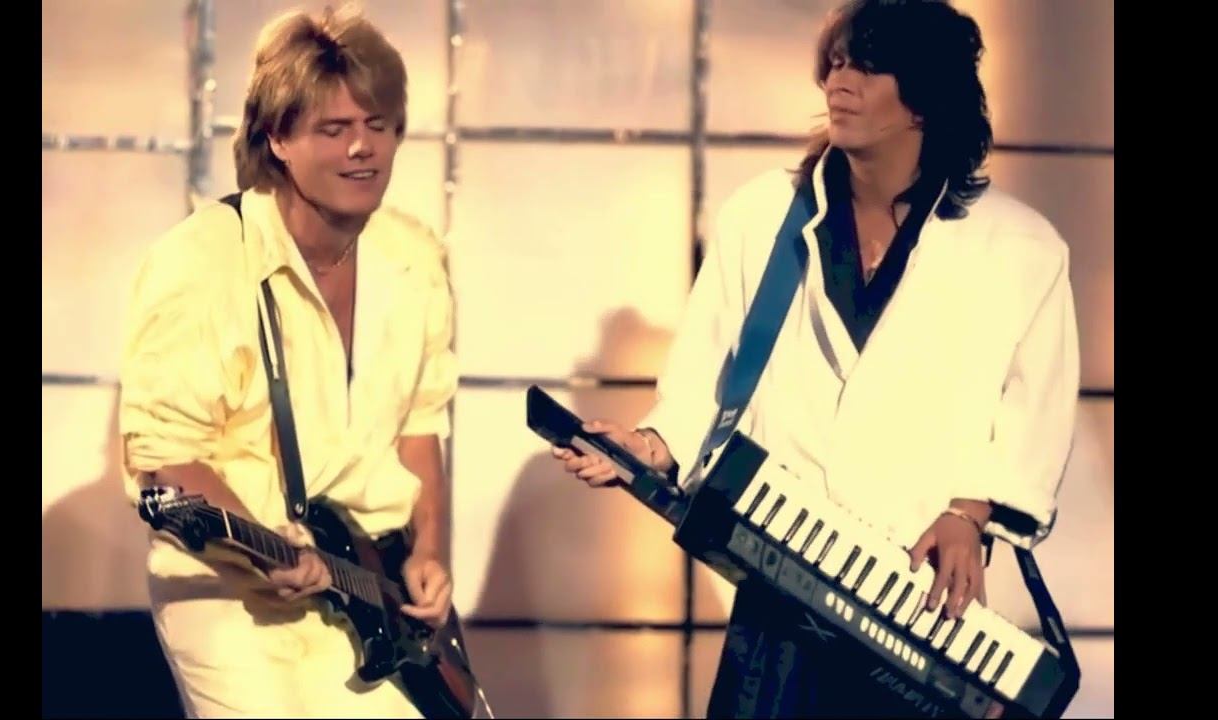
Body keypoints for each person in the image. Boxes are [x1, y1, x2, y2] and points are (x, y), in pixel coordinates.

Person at [550, 0, 1080, 717]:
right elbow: (707, 372)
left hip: (917, 604)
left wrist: (969, 511)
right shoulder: (764, 213)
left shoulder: (1020, 248)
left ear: (926, 95)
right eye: (834, 63)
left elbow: (1036, 414)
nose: (840, 83)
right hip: (778, 577)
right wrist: (650, 445)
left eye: (868, 66)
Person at [118, 5, 457, 717]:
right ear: (277, 137)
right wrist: (266, 544)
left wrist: (429, 552)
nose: (362, 148)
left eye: (378, 125)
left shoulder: (414, 257)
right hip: (233, 593)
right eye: (333, 129)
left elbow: (421, 424)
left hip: (372, 588)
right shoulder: (202, 262)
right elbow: (166, 456)